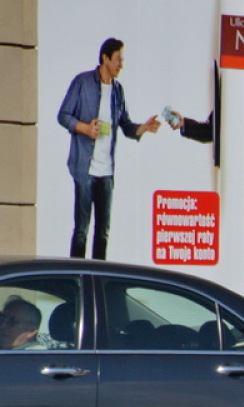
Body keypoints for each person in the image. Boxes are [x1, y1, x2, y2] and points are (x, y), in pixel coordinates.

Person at [57, 38, 161, 259]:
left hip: (107, 172)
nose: (121, 64)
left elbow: (125, 125)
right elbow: (63, 116)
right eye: (118, 59)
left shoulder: (118, 91)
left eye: (121, 60)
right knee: (81, 231)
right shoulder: (82, 82)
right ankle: (76, 278)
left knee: (103, 232)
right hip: (84, 169)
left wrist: (144, 128)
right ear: (105, 58)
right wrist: (84, 128)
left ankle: (98, 278)